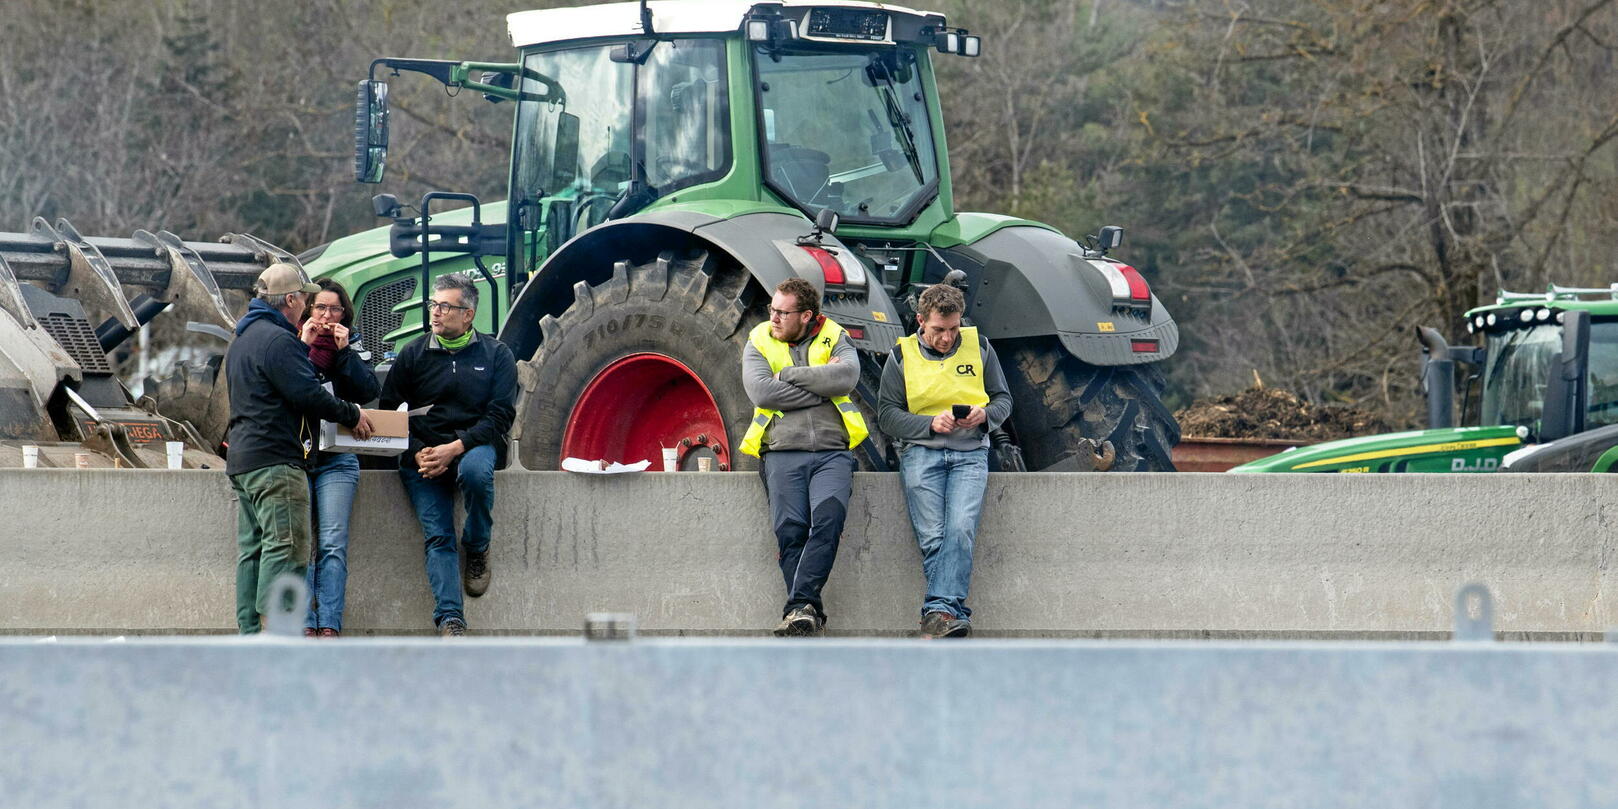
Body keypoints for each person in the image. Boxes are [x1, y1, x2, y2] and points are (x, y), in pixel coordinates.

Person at [226, 263, 372, 634]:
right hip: (277, 461)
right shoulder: (280, 340)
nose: (311, 307)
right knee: (287, 549)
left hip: (244, 459)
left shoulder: (243, 338)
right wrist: (351, 414)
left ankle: (250, 633)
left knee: (254, 551)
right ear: (290, 300)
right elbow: (307, 393)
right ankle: (274, 636)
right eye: (307, 299)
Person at [380, 273, 518, 638]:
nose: (435, 314)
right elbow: (388, 412)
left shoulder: (496, 354)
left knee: (475, 474)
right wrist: (416, 453)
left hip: (472, 446)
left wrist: (456, 447)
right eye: (433, 305)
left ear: (468, 314)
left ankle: (476, 545)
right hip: (424, 455)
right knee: (438, 536)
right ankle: (450, 620)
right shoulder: (413, 353)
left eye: (445, 306)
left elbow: (501, 415)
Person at [877, 283, 1012, 639]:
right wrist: (928, 423)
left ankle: (938, 613)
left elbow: (1003, 400)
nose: (947, 338)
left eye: (953, 329)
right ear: (921, 321)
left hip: (970, 454)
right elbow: (887, 415)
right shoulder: (901, 356)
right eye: (939, 330)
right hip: (921, 452)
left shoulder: (980, 347)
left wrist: (985, 416)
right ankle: (946, 614)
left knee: (960, 529)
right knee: (934, 537)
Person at [739, 278, 869, 637]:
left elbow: (846, 376)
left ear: (806, 315)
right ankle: (807, 609)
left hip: (832, 453)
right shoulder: (759, 340)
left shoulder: (835, 335)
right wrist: (819, 391)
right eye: (772, 310)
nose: (774, 318)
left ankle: (798, 608)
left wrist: (791, 376)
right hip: (781, 452)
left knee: (828, 523)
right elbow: (762, 392)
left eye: (783, 312)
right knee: (791, 532)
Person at [297, 279, 380, 638]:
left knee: (332, 543)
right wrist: (304, 345)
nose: (327, 317)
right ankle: (303, 622)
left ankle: (329, 621)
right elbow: (289, 386)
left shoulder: (353, 342)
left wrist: (345, 353)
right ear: (308, 310)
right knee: (300, 543)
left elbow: (369, 391)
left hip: (338, 457)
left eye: (334, 310)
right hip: (297, 452)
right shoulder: (291, 341)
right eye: (320, 308)